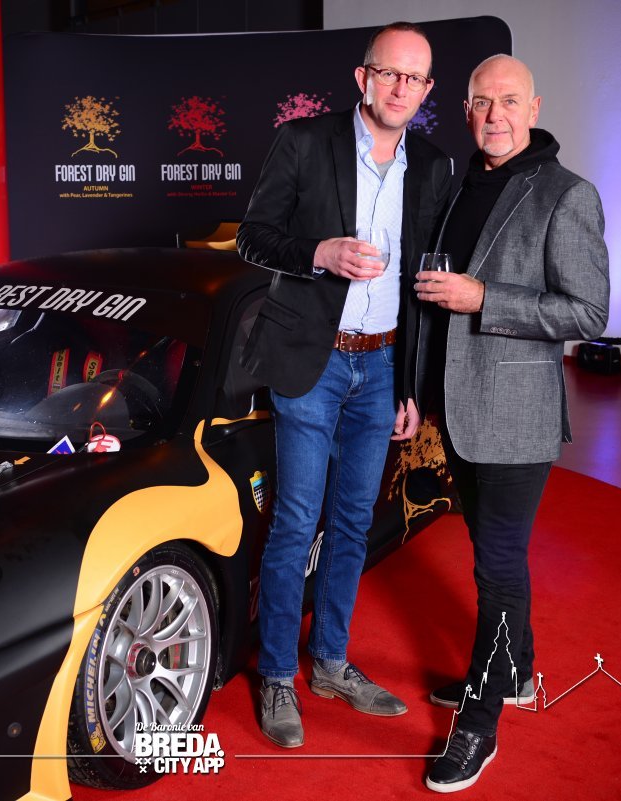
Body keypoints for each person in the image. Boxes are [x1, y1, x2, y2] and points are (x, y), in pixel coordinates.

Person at [237, 22, 453, 748]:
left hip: (382, 366)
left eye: (414, 78)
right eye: (388, 73)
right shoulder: (304, 141)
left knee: (355, 522)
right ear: (363, 78)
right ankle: (277, 673)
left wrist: (412, 387)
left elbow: (422, 287)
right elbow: (253, 236)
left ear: (426, 90)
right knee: (297, 522)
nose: (400, 87)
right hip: (313, 360)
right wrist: (319, 253)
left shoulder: (433, 165)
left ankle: (330, 661)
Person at [412, 54, 609, 792]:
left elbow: (588, 312)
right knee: (493, 553)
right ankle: (517, 672)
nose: (495, 115)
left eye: (509, 101)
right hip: (458, 407)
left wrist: (484, 298)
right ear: (466, 109)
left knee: (496, 568)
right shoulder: (458, 185)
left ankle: (481, 718)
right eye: (482, 102)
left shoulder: (567, 194)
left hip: (517, 416)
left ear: (534, 106)